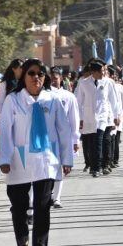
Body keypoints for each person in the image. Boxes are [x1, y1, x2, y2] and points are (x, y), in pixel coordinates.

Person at [0, 59, 73, 246]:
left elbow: (64, 130)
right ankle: (22, 241)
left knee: (42, 206)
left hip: (46, 159)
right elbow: (5, 130)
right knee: (19, 206)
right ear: (23, 76)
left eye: (41, 74)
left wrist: (67, 159)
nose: (36, 77)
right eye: (31, 73)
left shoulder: (53, 100)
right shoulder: (13, 100)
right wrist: (3, 158)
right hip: (18, 160)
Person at [77, 60, 120, 177]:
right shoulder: (84, 83)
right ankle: (94, 165)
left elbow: (113, 100)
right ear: (93, 72)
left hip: (103, 116)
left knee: (98, 141)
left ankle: (98, 167)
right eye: (101, 71)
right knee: (91, 143)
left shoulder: (108, 82)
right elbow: (79, 102)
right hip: (89, 117)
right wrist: (80, 118)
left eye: (104, 71)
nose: (103, 74)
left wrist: (116, 116)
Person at [50, 67, 80, 208]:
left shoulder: (68, 96)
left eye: (55, 78)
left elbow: (74, 119)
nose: (53, 81)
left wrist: (75, 140)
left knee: (60, 168)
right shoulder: (42, 95)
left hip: (63, 137)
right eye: (51, 78)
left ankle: (56, 198)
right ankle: (46, 195)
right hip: (46, 138)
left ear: (61, 79)